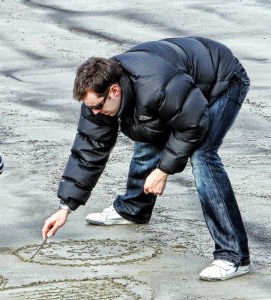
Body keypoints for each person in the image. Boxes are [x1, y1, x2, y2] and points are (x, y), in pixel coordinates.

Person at [41, 37, 251, 281]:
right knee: (146, 131)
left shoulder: (157, 86)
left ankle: (234, 256)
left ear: (114, 91)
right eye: (90, 108)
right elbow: (89, 149)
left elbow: (193, 124)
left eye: (98, 107)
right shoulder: (98, 97)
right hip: (181, 87)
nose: (95, 113)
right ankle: (133, 209)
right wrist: (66, 207)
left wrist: (163, 171)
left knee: (202, 154)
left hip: (223, 80)